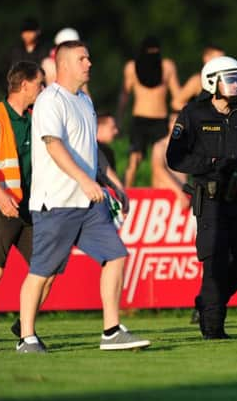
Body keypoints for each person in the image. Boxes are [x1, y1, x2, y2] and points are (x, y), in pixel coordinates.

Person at [17, 40, 150, 353]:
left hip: (89, 203)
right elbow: (54, 146)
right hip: (56, 203)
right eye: (82, 58)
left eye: (89, 57)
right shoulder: (51, 100)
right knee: (42, 272)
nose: (89, 63)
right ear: (64, 65)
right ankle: (26, 338)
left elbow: (92, 152)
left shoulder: (85, 102)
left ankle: (111, 330)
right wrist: (83, 181)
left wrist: (114, 184)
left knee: (116, 255)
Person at [166, 56, 237, 339]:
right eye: (229, 79)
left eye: (236, 78)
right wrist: (211, 162)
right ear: (212, 82)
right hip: (211, 200)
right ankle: (213, 326)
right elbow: (175, 157)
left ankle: (207, 302)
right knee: (214, 261)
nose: (235, 84)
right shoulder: (193, 113)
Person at [0, 62, 55, 345]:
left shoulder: (34, 118)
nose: (43, 89)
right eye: (40, 83)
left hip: (30, 208)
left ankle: (23, 326)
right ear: (25, 84)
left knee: (48, 268)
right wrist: (1, 195)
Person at [118, 35, 181, 187]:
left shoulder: (167, 67)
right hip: (140, 120)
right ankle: (124, 195)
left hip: (161, 120)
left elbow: (177, 95)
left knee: (160, 161)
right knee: (134, 160)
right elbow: (124, 96)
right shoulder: (131, 68)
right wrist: (118, 118)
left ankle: (159, 195)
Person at [0, 18, 50, 93]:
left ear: (38, 32)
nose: (27, 34)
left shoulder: (45, 51)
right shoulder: (13, 52)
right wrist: (9, 89)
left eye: (30, 31)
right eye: (25, 32)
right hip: (17, 93)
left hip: (39, 94)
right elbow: (1, 73)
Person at [150, 115, 189, 209]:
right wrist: (179, 193)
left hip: (182, 201)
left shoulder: (187, 149)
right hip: (163, 202)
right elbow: (158, 170)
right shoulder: (160, 146)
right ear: (170, 124)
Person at [171, 45, 225, 112]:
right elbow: (176, 103)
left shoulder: (226, 80)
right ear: (206, 58)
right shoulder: (197, 80)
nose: (222, 62)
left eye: (223, 59)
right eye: (218, 59)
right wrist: (198, 114)